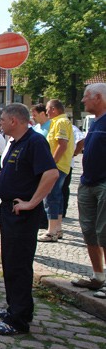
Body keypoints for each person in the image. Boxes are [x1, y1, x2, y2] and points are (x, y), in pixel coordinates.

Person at [0, 103, 58, 335]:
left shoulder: (35, 142)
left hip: (22, 214)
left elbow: (51, 173)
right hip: (9, 210)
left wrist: (31, 202)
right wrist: (0, 183)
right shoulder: (17, 142)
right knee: (10, 261)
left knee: (19, 264)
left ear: (14, 121)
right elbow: (20, 173)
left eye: (3, 120)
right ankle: (15, 307)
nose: (1, 123)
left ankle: (18, 321)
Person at [70, 83, 106, 297]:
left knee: (105, 232)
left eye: (86, 97)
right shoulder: (95, 123)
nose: (83, 100)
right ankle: (98, 276)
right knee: (89, 231)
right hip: (88, 183)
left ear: (99, 98)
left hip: (103, 184)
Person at [38, 99, 74, 242]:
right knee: (57, 197)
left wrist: (51, 164)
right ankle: (57, 228)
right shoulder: (62, 122)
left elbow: (62, 145)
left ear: (53, 109)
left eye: (47, 109)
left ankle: (51, 231)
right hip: (61, 165)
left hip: (57, 166)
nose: (46, 112)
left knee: (51, 197)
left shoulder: (60, 122)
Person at [62, 124, 85, 218]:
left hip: (66, 163)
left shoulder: (71, 127)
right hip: (53, 163)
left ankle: (62, 211)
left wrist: (74, 153)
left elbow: (81, 141)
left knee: (63, 187)